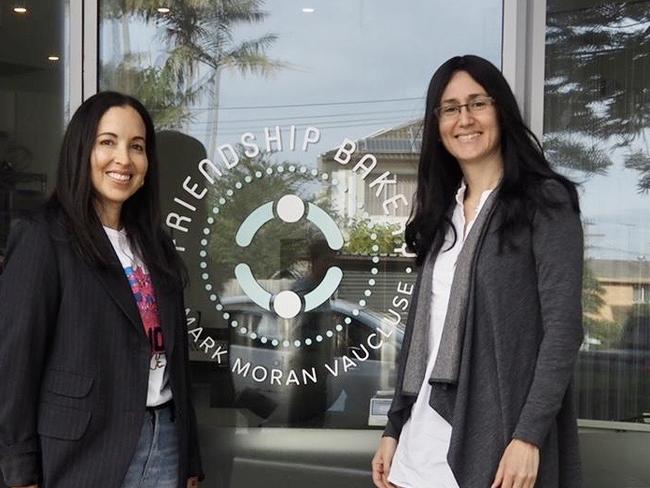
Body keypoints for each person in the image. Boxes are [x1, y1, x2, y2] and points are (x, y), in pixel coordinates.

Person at [371, 55, 584, 488]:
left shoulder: (544, 202)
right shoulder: (441, 214)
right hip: (419, 448)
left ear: (500, 110)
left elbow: (563, 330)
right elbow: (421, 338)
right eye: (450, 108)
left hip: (499, 444)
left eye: (477, 103)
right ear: (437, 124)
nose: (464, 119)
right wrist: (395, 428)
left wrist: (528, 436)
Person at [0, 92, 204, 487]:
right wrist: (19, 471)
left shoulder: (155, 244)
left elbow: (176, 361)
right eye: (107, 142)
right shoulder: (44, 236)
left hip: (164, 442)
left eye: (137, 147)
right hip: (82, 450)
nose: (124, 159)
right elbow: (14, 364)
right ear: (82, 150)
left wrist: (189, 458)